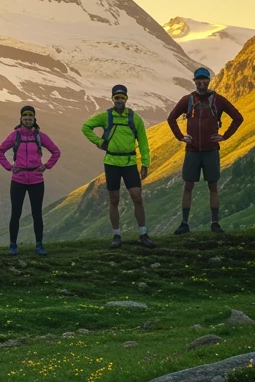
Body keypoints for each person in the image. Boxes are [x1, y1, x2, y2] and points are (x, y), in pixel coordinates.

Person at [166, 67, 244, 234]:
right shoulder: (187, 100)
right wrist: (180, 137)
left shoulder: (218, 100)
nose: (201, 82)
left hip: (210, 150)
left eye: (204, 79)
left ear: (209, 81)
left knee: (212, 186)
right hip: (193, 150)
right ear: (194, 81)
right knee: (188, 186)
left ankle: (214, 223)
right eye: (198, 80)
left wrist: (225, 136)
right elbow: (171, 118)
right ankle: (185, 224)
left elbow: (238, 117)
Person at [81, 84, 156, 248]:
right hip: (112, 163)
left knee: (137, 197)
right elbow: (86, 127)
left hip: (129, 163)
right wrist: (99, 142)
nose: (119, 100)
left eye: (122, 97)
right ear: (113, 99)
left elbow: (143, 142)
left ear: (126, 99)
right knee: (114, 199)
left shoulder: (135, 118)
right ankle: (116, 236)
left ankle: (143, 234)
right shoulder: (106, 116)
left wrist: (145, 163)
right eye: (117, 97)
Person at [0, 105, 61, 256]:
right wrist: (9, 167)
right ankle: (13, 245)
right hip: (18, 179)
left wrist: (47, 166)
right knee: (16, 213)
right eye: (25, 116)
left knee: (37, 213)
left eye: (30, 116)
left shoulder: (39, 136)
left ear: (34, 118)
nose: (27, 119)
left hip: (36, 180)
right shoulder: (15, 135)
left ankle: (39, 244)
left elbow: (56, 151)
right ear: (21, 118)